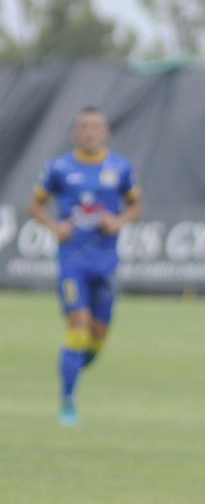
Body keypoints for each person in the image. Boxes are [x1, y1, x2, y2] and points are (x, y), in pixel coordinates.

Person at [28, 106, 141, 426]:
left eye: (95, 127)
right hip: (72, 262)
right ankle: (67, 401)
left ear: (104, 132)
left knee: (96, 340)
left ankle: (72, 368)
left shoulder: (120, 168)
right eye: (84, 127)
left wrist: (118, 221)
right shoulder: (59, 168)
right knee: (77, 328)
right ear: (76, 133)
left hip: (105, 263)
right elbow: (34, 204)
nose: (90, 132)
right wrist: (55, 227)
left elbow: (136, 207)